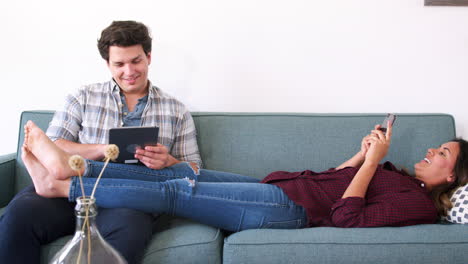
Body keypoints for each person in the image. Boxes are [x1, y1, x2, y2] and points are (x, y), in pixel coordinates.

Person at [21, 119, 468, 232]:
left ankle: (64, 183)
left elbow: (346, 216)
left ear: (453, 177)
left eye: (442, 152)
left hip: (288, 210)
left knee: (180, 189)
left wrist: (371, 164)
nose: (431, 150)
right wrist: (363, 152)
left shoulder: (417, 205)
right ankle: (71, 168)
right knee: (169, 171)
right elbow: (337, 180)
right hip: (272, 186)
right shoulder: (401, 177)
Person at [0, 21, 203, 264]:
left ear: (148, 57)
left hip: (130, 202)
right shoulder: (82, 97)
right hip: (73, 192)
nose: (129, 71)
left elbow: (195, 170)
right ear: (107, 64)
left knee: (131, 229)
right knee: (19, 213)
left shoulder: (176, 110)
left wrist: (169, 161)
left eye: (136, 61)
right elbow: (54, 146)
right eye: (119, 64)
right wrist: (101, 150)